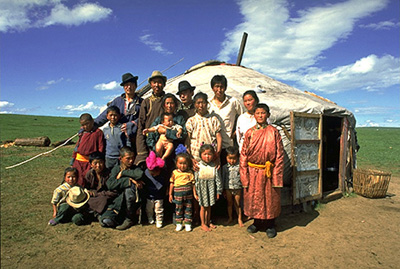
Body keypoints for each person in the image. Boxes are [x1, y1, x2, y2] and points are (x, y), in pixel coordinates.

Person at [240, 103, 284, 238]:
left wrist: (276, 173)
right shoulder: (250, 132)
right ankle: (257, 222)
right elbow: (243, 155)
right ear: (254, 115)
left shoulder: (274, 132)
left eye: (263, 113)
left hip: (269, 171)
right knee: (254, 197)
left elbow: (280, 154)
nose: (260, 115)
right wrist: (244, 175)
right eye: (257, 113)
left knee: (270, 198)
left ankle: (270, 224)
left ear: (268, 115)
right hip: (253, 170)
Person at [100, 147, 144, 230]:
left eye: (132, 158)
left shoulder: (135, 168)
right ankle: (118, 219)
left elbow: (139, 174)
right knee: (105, 221)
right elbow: (110, 184)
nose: (131, 161)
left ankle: (129, 219)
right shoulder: (116, 169)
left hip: (131, 203)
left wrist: (123, 173)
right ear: (120, 158)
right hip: (117, 203)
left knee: (129, 190)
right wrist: (129, 180)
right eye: (128, 158)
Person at [94, 72, 142, 147]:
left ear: (135, 86)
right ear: (123, 87)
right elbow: (105, 115)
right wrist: (91, 124)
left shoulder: (142, 102)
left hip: (134, 137)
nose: (129, 87)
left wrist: (131, 124)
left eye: (131, 84)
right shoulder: (117, 101)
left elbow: (145, 118)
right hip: (118, 137)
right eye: (126, 85)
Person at [208, 75, 243, 163]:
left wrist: (236, 131)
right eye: (216, 86)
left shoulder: (233, 102)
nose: (219, 90)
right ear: (212, 88)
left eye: (221, 87)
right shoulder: (208, 103)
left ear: (225, 88)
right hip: (212, 145)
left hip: (228, 145)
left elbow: (243, 117)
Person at [136, 71, 167, 166]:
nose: (157, 85)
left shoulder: (169, 101)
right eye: (154, 82)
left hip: (166, 143)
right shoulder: (146, 102)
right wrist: (142, 151)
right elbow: (140, 126)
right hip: (150, 144)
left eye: (159, 82)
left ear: (164, 84)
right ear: (151, 84)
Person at [185, 92, 222, 170]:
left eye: (203, 103)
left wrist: (218, 154)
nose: (201, 106)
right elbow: (187, 140)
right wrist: (191, 158)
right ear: (194, 104)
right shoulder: (191, 120)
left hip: (212, 157)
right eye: (198, 103)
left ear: (207, 103)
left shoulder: (213, 119)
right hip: (196, 157)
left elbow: (219, 137)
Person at [71, 113, 105, 186]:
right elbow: (77, 146)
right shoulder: (82, 132)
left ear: (92, 121)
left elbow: (100, 147)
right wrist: (72, 161)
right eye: (83, 125)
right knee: (77, 179)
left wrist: (98, 161)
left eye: (87, 124)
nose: (85, 126)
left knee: (87, 180)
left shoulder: (98, 132)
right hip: (78, 161)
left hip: (89, 162)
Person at [195, 144, 222, 232]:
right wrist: (196, 192)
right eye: (205, 154)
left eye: (209, 154)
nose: (207, 156)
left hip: (211, 189)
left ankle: (208, 221)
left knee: (209, 206)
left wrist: (218, 191)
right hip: (202, 189)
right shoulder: (198, 166)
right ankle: (203, 223)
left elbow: (218, 179)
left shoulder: (214, 166)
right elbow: (195, 181)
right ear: (200, 155)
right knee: (203, 207)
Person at [83, 152, 117, 222]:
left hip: (105, 197)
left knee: (103, 200)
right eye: (95, 163)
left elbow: (113, 192)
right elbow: (86, 187)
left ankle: (95, 213)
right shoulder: (89, 174)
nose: (98, 166)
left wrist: (97, 194)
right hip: (93, 198)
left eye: (101, 163)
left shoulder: (109, 174)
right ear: (91, 164)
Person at [169, 152, 197, 232]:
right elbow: (172, 183)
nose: (182, 165)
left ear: (188, 164)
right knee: (178, 209)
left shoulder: (190, 172)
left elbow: (193, 184)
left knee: (188, 208)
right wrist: (170, 194)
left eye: (185, 163)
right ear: (176, 163)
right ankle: (179, 224)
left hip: (188, 194)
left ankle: (188, 223)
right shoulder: (174, 173)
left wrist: (194, 193)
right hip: (178, 194)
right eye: (180, 163)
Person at [221, 146, 244, 227]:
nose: (232, 160)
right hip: (228, 188)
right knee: (229, 203)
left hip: (238, 187)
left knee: (237, 203)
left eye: (234, 158)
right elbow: (223, 178)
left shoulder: (240, 166)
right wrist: (223, 189)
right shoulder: (224, 167)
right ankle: (230, 218)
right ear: (226, 157)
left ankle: (239, 219)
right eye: (230, 158)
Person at [143, 151, 167, 228]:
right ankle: (150, 218)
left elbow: (166, 183)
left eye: (154, 173)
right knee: (149, 208)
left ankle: (159, 220)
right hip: (149, 195)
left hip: (159, 196)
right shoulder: (146, 173)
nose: (153, 175)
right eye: (151, 174)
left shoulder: (163, 175)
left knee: (159, 209)